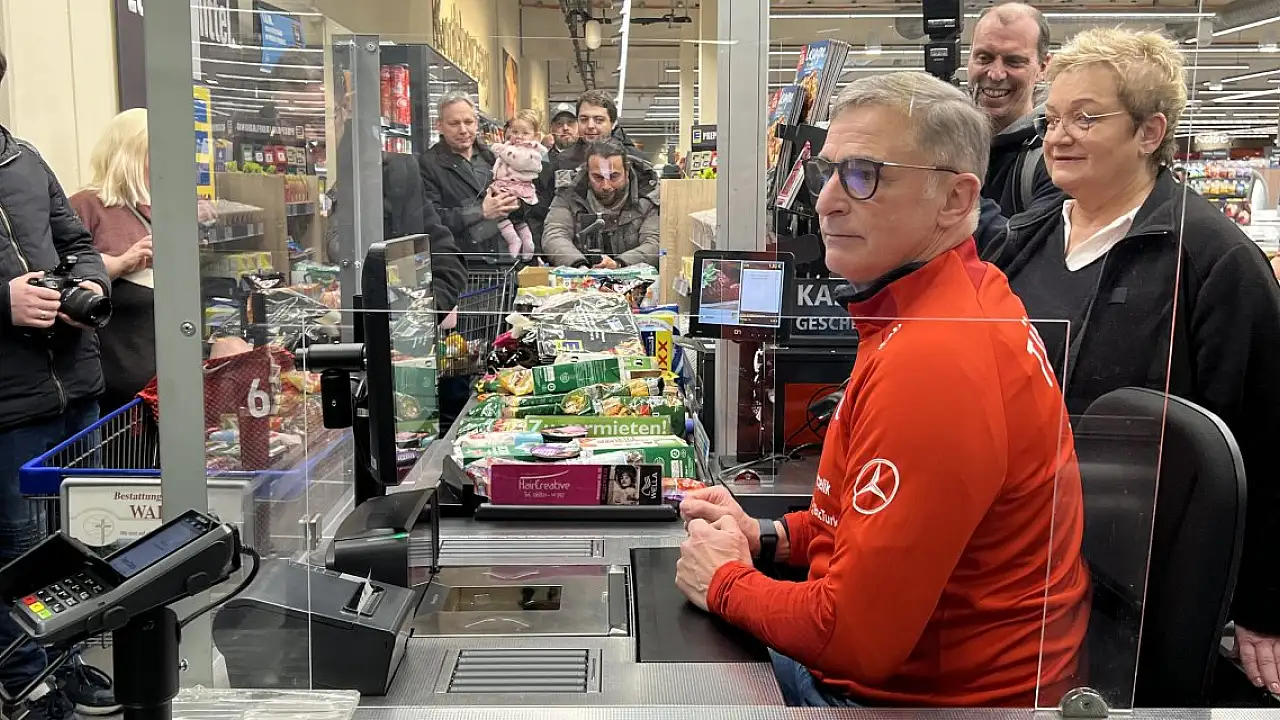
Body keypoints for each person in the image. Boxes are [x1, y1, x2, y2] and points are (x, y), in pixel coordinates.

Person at [675, 71, 1090, 707]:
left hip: (920, 702)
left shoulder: (937, 360)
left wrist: (725, 580)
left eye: (863, 175)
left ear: (955, 199)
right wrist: (767, 537)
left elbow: (853, 637)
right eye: (829, 172)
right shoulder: (949, 301)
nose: (826, 202)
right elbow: (868, 523)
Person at [983, 27, 1280, 695]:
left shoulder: (1215, 262)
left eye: (1085, 119)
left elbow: (1266, 439)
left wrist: (1265, 608)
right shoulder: (1022, 241)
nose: (1058, 137)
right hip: (1025, 565)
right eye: (1052, 119)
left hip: (1147, 586)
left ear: (1150, 132)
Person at [0, 47, 119, 720]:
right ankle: (28, 682)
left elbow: (77, 243)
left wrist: (90, 285)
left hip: (76, 386)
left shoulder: (23, 159)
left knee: (75, 538)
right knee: (18, 549)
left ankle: (65, 664)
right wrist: (5, 302)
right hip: (11, 406)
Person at [968, 3, 1058, 219]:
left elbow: (1032, 237)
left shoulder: (1055, 157)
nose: (996, 74)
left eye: (1014, 62)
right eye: (984, 58)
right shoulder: (943, 144)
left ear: (1043, 67)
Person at [419, 92, 519, 262]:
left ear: (476, 123)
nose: (463, 130)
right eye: (454, 123)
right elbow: (429, 219)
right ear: (439, 125)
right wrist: (480, 211)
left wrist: (517, 202)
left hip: (504, 259)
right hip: (462, 263)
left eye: (468, 122)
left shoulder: (494, 156)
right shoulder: (428, 164)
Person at [541, 139, 660, 269]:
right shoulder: (569, 193)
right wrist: (579, 265)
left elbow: (654, 243)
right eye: (598, 177)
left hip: (635, 274)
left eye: (614, 176)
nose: (606, 186)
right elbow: (555, 234)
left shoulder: (648, 194)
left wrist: (619, 264)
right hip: (580, 273)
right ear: (587, 173)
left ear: (626, 173)